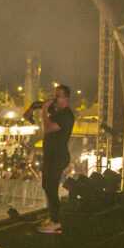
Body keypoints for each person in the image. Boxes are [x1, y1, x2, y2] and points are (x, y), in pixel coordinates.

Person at [36, 84, 75, 234]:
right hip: (51, 156)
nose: (55, 98)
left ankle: (56, 222)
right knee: (46, 185)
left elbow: (48, 128)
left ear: (66, 98)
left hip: (58, 157)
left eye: (58, 96)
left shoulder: (66, 115)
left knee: (51, 187)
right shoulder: (58, 112)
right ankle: (52, 217)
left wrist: (44, 111)